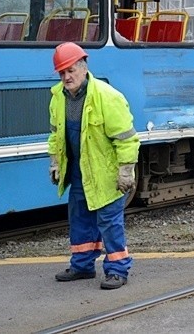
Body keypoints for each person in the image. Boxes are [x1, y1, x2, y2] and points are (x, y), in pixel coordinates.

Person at [48, 42, 140, 290]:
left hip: (106, 174)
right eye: (62, 73)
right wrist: (55, 162)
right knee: (79, 219)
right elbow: (56, 134)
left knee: (109, 223)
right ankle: (82, 265)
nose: (66, 77)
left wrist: (125, 171)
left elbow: (127, 139)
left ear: (84, 67)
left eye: (71, 71)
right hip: (78, 172)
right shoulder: (58, 98)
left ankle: (118, 269)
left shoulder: (107, 97)